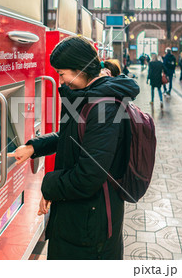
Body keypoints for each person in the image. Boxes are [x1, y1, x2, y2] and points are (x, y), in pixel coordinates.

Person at [8, 36, 139, 260]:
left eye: (62, 73)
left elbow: (89, 175)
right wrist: (34, 147)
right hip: (82, 214)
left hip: (91, 226)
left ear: (80, 70)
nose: (61, 80)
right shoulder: (88, 96)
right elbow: (72, 137)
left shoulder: (104, 107)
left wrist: (49, 186)